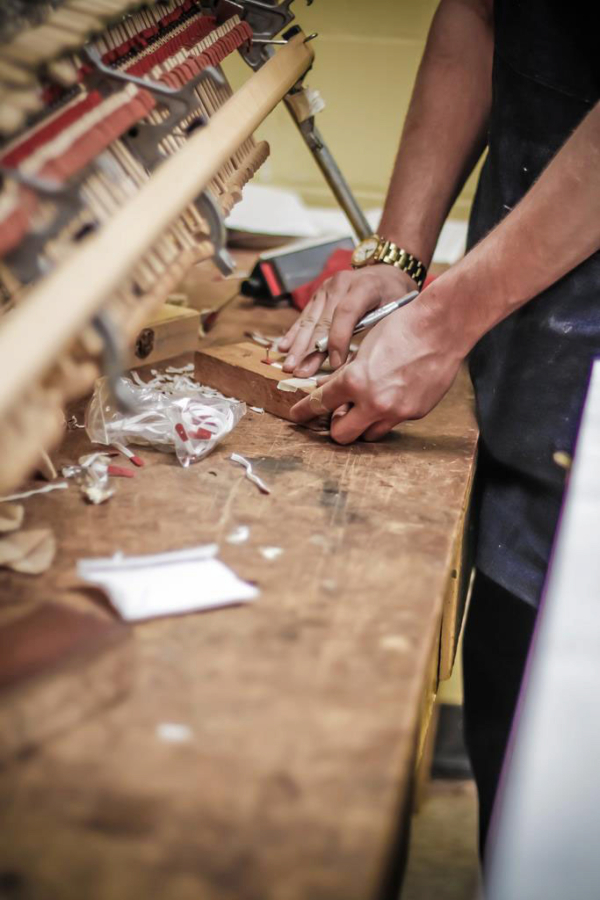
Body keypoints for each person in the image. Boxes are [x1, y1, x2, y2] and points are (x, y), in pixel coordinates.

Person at [278, 0, 600, 858]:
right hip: (528, 337)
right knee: (514, 747)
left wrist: (448, 316)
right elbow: (481, 12)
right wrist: (400, 258)